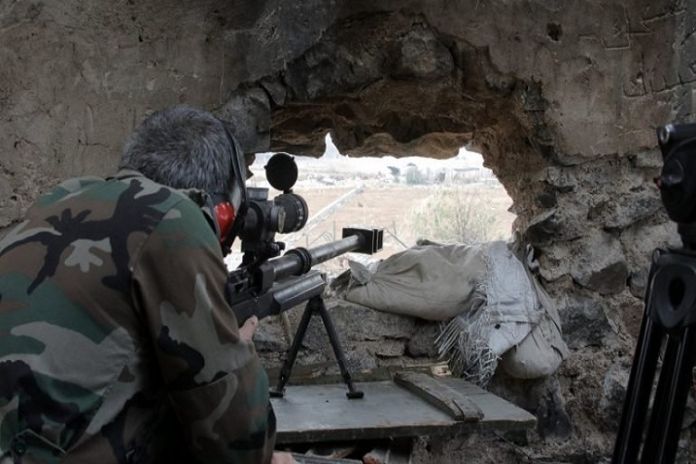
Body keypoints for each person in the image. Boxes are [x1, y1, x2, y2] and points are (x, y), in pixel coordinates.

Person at [0, 106, 294, 464]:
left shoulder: (58, 202)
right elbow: (241, 448)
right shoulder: (175, 217)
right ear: (223, 206)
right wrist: (237, 355)